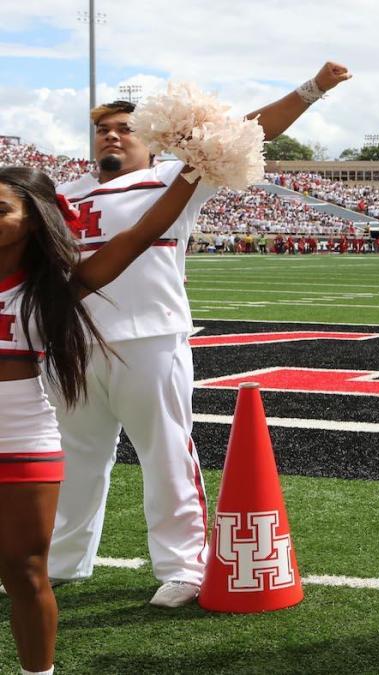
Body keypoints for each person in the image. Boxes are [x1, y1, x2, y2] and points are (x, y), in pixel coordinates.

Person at [46, 62, 352, 609]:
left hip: (150, 337)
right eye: (103, 129)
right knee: (75, 455)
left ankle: (183, 566)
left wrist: (312, 88)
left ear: (151, 141)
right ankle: (63, 561)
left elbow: (245, 132)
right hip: (72, 341)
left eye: (125, 128)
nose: (112, 136)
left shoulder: (174, 179)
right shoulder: (61, 192)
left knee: (166, 452)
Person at [0, 165, 201, 675]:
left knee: (25, 573)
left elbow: (140, 236)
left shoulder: (55, 290)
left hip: (22, 437)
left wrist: (194, 172)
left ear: (34, 221)